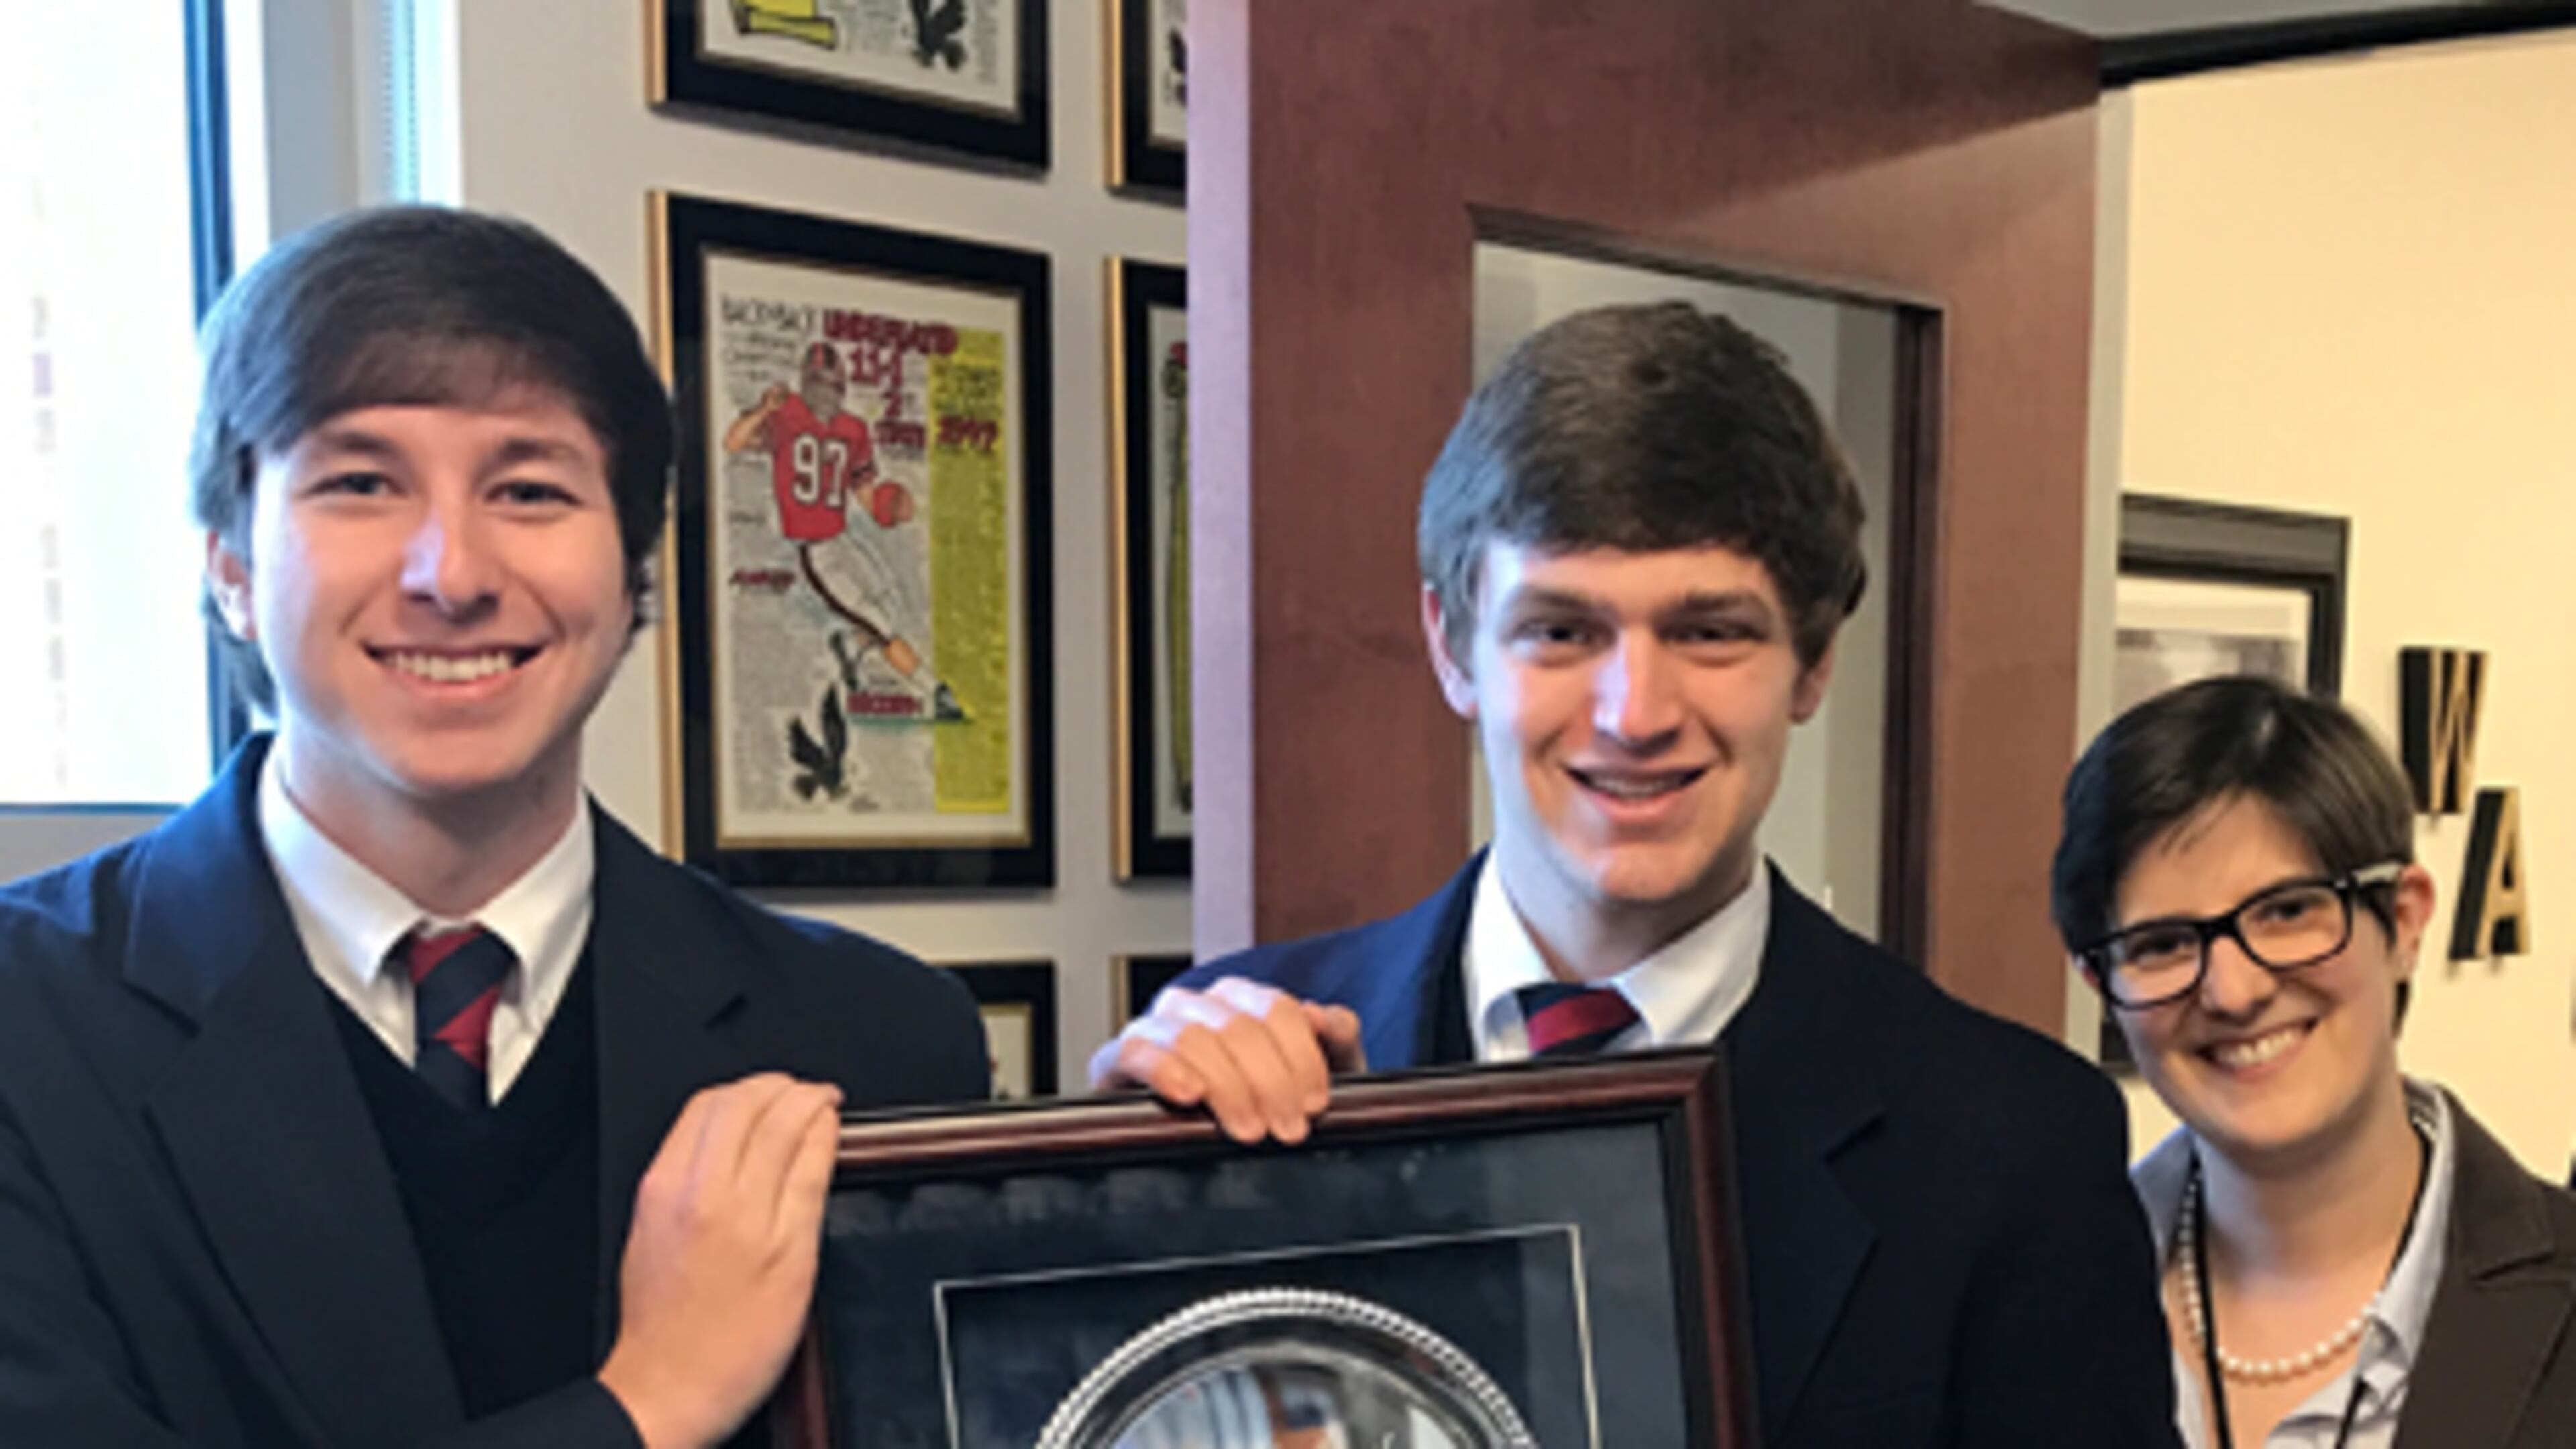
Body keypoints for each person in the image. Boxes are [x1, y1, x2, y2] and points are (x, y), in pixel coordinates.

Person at [1093, 301, 2178, 1447]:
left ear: (1813, 663)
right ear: (1454, 645)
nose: (1636, 714)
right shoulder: (1231, 1065)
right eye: (1562, 632)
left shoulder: (2012, 1151)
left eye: (1711, 632)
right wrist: (1089, 1228)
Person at [0, 207, 988, 1449]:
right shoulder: (26, 1033)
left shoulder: (884, 1043)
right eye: (360, 484)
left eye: (530, 488)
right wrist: (652, 1405)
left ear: (633, 570)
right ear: (231, 569)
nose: (450, 573)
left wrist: (1196, 1163)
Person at [2055, 676, 2576, 1448]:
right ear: (2102, 986)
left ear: (2401, 921)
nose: (2233, 992)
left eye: (2288, 910)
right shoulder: (2036, 1292)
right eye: (2163, 944)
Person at [720, 339, 955, 720]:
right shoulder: (785, 416)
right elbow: (732, 442)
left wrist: (891, 506)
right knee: (880, 625)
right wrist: (763, 410)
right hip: (816, 551)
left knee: (890, 601)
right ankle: (936, 693)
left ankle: (848, 645)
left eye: (830, 383)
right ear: (805, 383)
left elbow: (864, 495)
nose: (824, 392)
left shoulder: (853, 429)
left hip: (844, 538)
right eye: (817, 383)